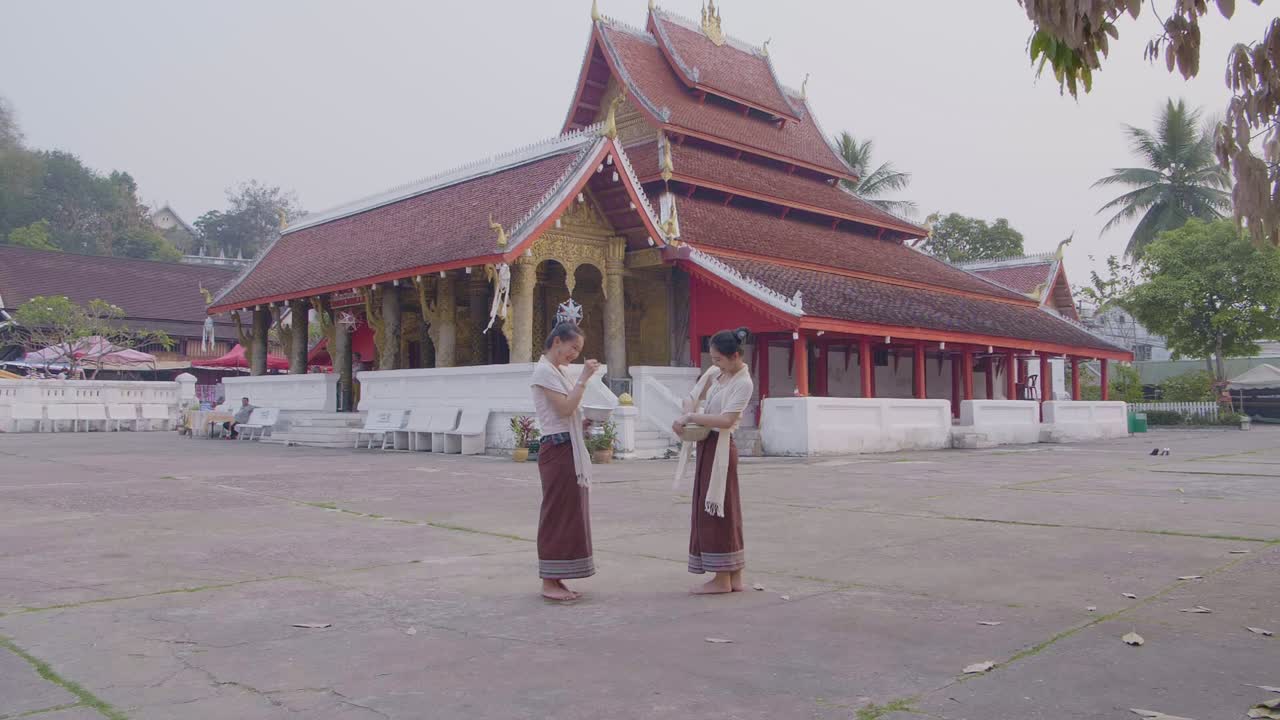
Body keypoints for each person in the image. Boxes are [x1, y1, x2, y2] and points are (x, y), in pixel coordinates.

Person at [672, 327, 754, 595]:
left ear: (736, 356)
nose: (714, 363)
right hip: (707, 445)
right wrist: (686, 413)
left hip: (721, 448)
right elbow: (691, 397)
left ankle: (724, 578)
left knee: (721, 509)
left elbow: (727, 420)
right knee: (720, 508)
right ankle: (733, 576)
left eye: (719, 359)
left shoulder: (743, 382)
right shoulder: (716, 374)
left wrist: (693, 418)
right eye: (713, 358)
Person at [529, 322, 601, 601]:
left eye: (578, 350)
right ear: (557, 341)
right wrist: (584, 378)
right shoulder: (544, 371)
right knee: (557, 513)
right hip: (557, 449)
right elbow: (565, 408)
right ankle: (549, 581)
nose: (575, 354)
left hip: (567, 446)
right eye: (574, 348)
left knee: (570, 514)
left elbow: (568, 412)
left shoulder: (556, 371)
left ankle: (557, 578)